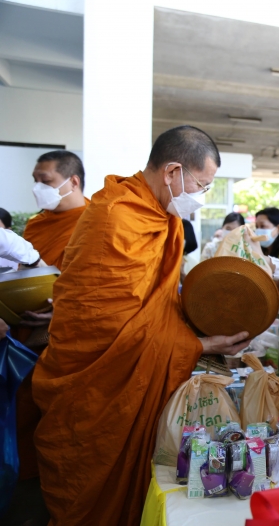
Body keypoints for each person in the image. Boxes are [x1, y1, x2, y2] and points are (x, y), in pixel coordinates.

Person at [31, 125, 251, 526]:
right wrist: (201, 345)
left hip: (135, 369)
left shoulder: (155, 214)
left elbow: (154, 306)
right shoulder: (118, 217)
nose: (201, 198)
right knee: (88, 485)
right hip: (97, 381)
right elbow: (106, 327)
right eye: (201, 186)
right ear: (171, 172)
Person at [23, 150, 90, 271]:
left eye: (46, 181)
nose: (37, 188)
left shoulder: (96, 220)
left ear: (74, 182)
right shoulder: (35, 224)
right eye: (35, 181)